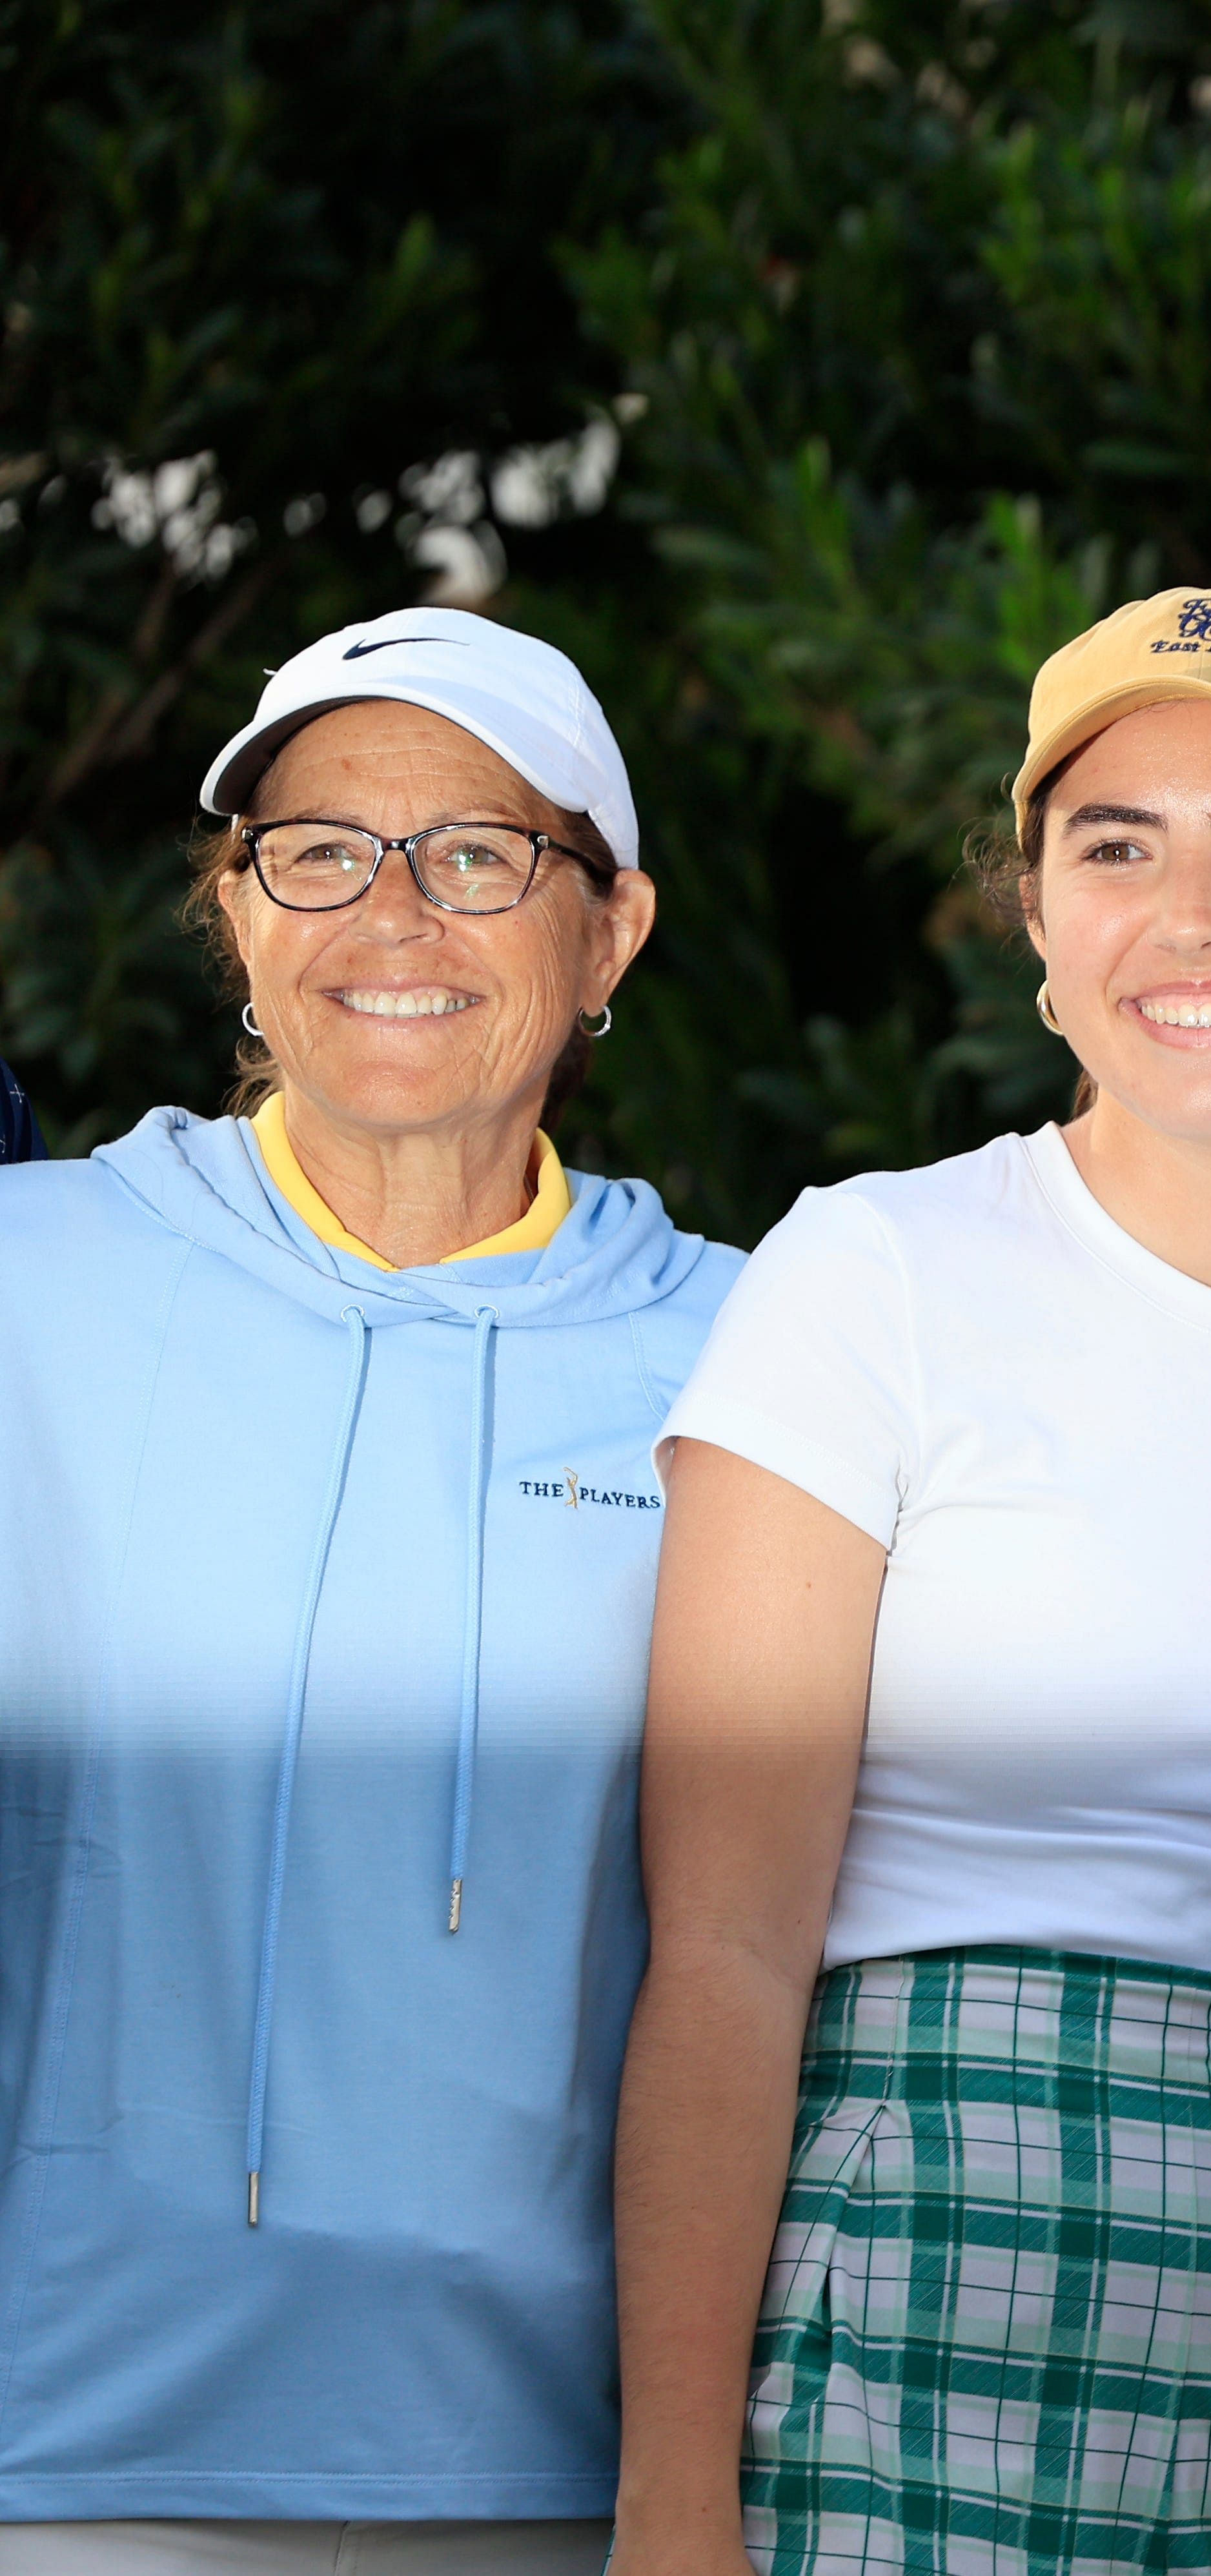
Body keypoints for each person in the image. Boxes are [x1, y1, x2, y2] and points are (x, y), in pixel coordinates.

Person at [611, 586, 1211, 2576]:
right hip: (919, 2262)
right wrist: (673, 2505)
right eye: (1117, 847)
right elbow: (725, 1945)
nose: (1196, 915)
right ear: (1038, 925)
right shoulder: (875, 1273)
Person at [0, 609, 725, 2571]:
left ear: (612, 932)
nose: (389, 915)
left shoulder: (759, 1360)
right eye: (316, 852)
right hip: (64, 2454)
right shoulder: (29, 1283)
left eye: (480, 856)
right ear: (237, 917)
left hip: (566, 2472)